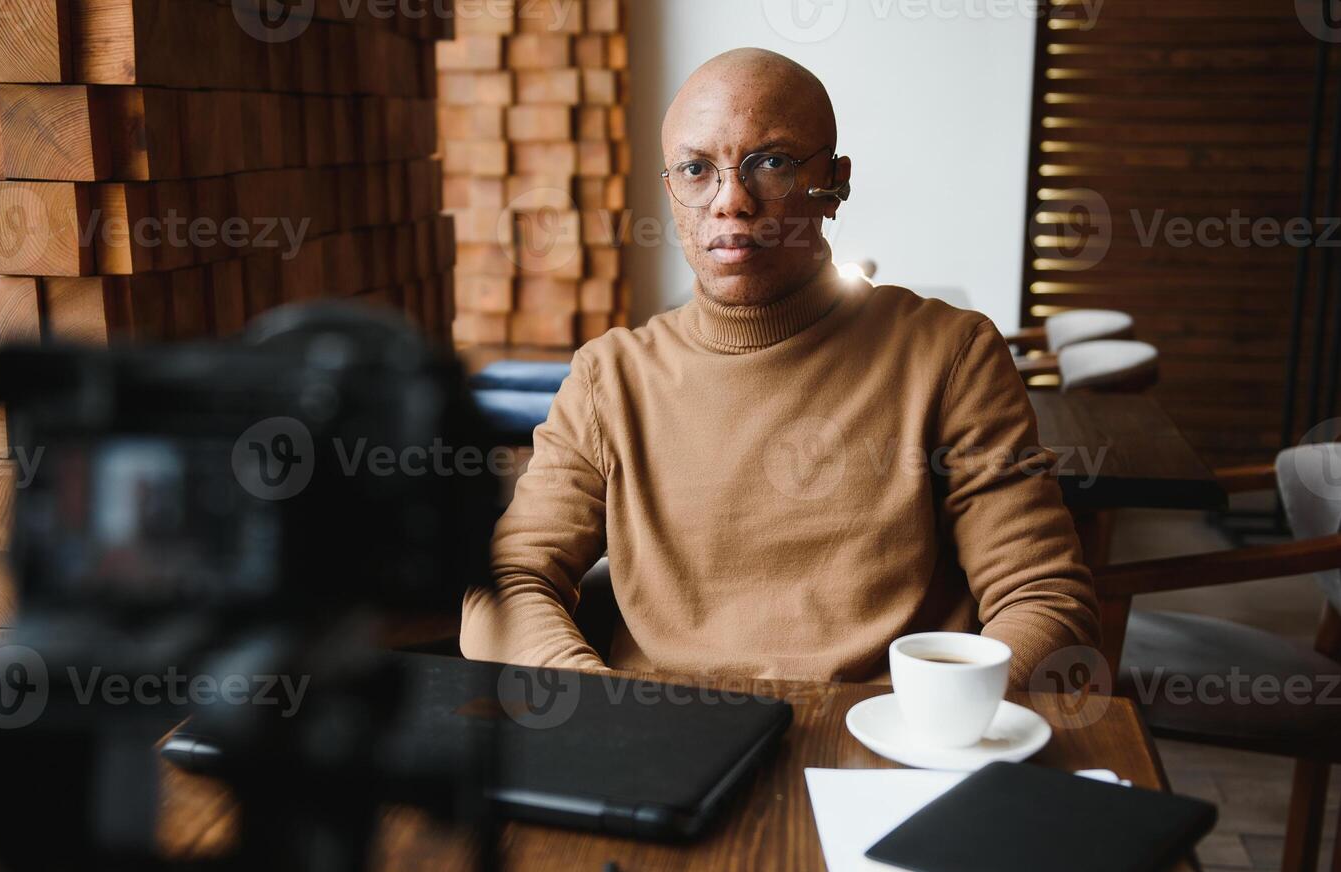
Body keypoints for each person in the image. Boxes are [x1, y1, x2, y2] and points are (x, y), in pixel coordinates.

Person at [461, 48, 1099, 686]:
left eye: (771, 163)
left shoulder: (949, 354)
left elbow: (1045, 599)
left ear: (836, 184)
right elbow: (507, 583)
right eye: (695, 169)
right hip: (663, 746)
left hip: (883, 741)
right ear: (671, 194)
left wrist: (939, 721)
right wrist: (596, 702)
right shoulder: (610, 378)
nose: (730, 200)